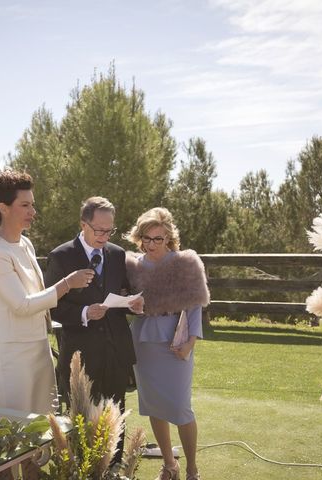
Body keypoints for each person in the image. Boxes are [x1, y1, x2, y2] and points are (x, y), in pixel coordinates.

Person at [0, 169, 94, 415]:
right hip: (9, 352)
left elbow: (37, 293)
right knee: (16, 427)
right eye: (25, 205)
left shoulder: (25, 243)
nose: (33, 212)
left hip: (38, 345)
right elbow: (22, 305)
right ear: (3, 208)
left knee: (45, 422)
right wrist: (67, 284)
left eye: (33, 204)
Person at [44, 196, 143, 462]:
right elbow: (51, 306)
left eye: (109, 230)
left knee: (116, 416)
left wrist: (131, 303)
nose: (104, 236)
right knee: (83, 420)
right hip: (81, 354)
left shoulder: (117, 253)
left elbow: (119, 293)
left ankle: (114, 469)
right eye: (99, 230)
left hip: (116, 351)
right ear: (83, 224)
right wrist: (84, 313)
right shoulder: (61, 256)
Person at [125, 207, 209, 480]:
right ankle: (169, 464)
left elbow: (196, 306)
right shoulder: (132, 265)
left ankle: (192, 468)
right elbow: (124, 302)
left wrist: (191, 343)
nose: (151, 245)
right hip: (144, 342)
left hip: (177, 342)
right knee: (154, 405)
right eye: (146, 239)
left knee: (181, 407)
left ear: (169, 238)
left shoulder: (186, 263)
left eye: (157, 239)